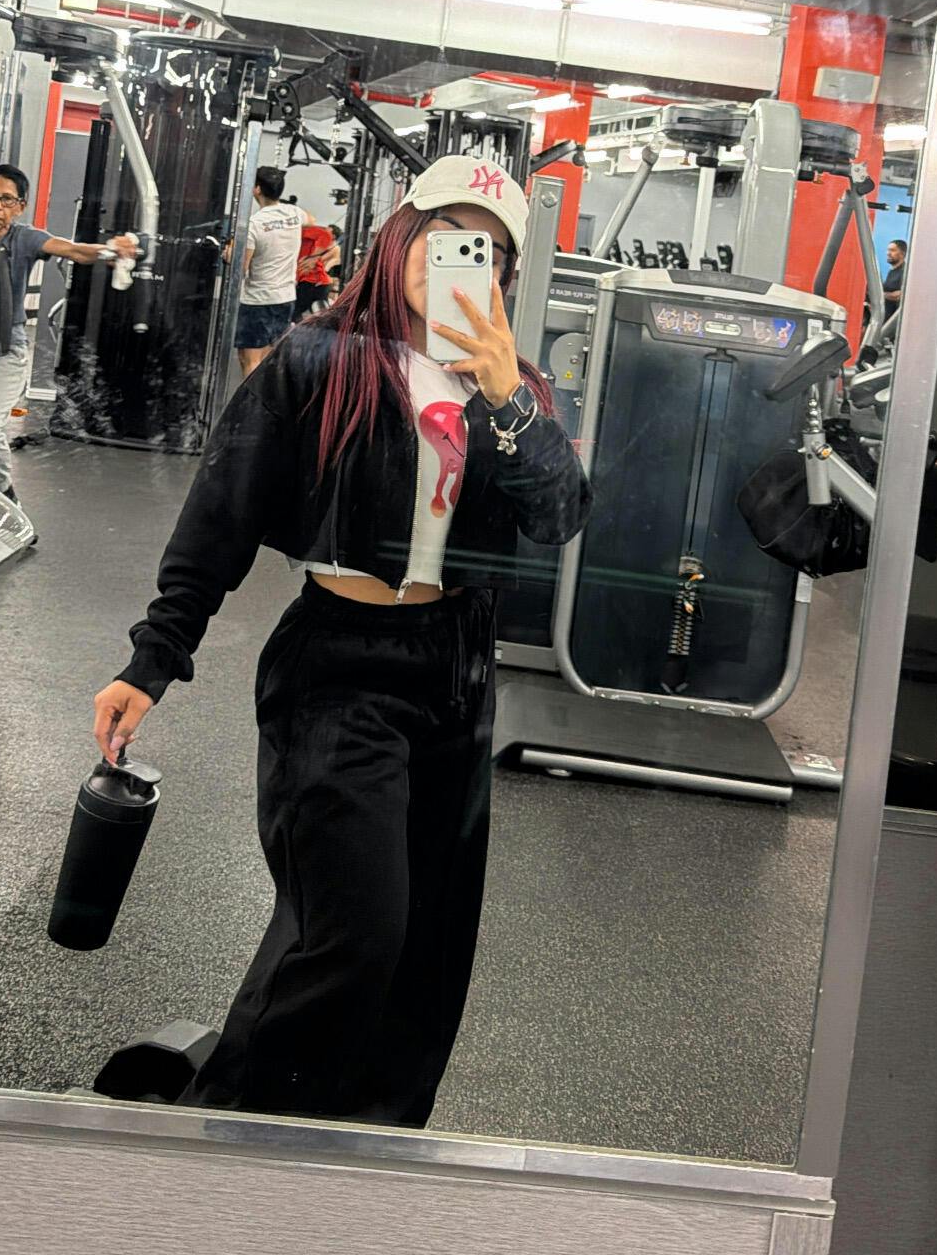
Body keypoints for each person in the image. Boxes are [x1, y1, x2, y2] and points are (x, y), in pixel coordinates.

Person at [91, 154, 590, 1128]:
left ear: (505, 274)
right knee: (354, 931)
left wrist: (507, 399)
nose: (461, 259)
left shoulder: (513, 388)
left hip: (458, 667)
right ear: (401, 240)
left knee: (428, 952)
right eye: (444, 236)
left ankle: (371, 1147)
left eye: (486, 250)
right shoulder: (320, 360)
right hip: (340, 663)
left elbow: (560, 515)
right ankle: (229, 1125)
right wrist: (154, 659)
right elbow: (221, 516)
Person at [0, 164, 138, 500]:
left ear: (20, 206)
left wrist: (110, 250)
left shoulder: (24, 238)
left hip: (4, 352)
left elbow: (73, 250)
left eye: (6, 200)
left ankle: (5, 499)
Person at [233, 164, 302, 375]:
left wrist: (230, 255)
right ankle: (263, 396)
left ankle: (250, 397)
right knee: (268, 359)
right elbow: (312, 220)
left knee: (250, 360)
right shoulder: (294, 213)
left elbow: (241, 268)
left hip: (258, 301)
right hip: (285, 298)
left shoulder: (254, 224)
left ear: (256, 189)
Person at [293, 216, 336, 319]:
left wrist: (313, 257)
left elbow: (325, 235)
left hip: (312, 281)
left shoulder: (298, 230)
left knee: (295, 314)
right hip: (306, 281)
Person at [882, 237, 907, 319]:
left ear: (902, 254)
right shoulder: (892, 271)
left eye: (892, 250)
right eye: (888, 250)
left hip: (894, 321)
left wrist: (880, 295)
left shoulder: (905, 271)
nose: (888, 253)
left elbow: (901, 294)